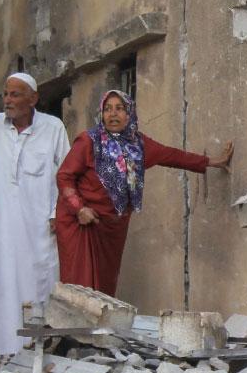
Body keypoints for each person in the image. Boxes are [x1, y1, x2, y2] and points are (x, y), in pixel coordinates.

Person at [55, 89, 232, 296]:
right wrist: (79, 209)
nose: (113, 114)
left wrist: (212, 161)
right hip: (81, 222)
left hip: (111, 225)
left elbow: (172, 156)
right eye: (108, 109)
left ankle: (98, 328)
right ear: (101, 114)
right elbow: (64, 177)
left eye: (119, 109)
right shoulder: (89, 141)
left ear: (129, 113)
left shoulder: (138, 145)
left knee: (104, 287)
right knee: (80, 286)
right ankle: (77, 329)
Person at [0, 72, 71, 357]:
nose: (8, 100)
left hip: (39, 225)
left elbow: (66, 174)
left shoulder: (53, 127)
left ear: (33, 99)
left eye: (15, 95)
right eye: (6, 94)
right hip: (3, 225)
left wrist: (57, 212)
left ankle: (38, 352)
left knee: (39, 281)